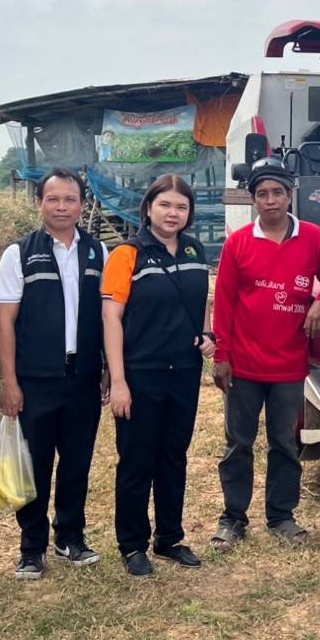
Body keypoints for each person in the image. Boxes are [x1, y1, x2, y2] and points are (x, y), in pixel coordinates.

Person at [210, 156, 320, 550]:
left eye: (277, 192)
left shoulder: (314, 238)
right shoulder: (238, 243)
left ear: (289, 194)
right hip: (243, 364)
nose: (270, 200)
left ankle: (281, 516)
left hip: (289, 364)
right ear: (253, 199)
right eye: (262, 194)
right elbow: (224, 302)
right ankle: (233, 517)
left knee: (284, 444)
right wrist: (222, 355)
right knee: (238, 443)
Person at [0, 168, 109, 580]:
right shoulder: (20, 253)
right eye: (53, 199)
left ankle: (70, 537)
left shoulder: (98, 252)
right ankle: (32, 547)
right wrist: (10, 382)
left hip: (83, 376)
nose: (62, 207)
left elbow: (107, 315)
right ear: (39, 202)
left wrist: (106, 368)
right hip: (35, 379)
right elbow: (5, 322)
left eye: (70, 199)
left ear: (82, 204)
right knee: (36, 463)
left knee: (77, 461)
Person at [102, 175, 215, 576]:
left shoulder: (195, 249)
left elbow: (199, 303)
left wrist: (207, 335)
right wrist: (118, 381)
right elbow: (111, 319)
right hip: (140, 373)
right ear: (148, 207)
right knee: (137, 460)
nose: (173, 213)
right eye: (165, 205)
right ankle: (132, 544)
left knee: (174, 456)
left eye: (181, 207)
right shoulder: (127, 255)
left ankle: (170, 538)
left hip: (184, 372)